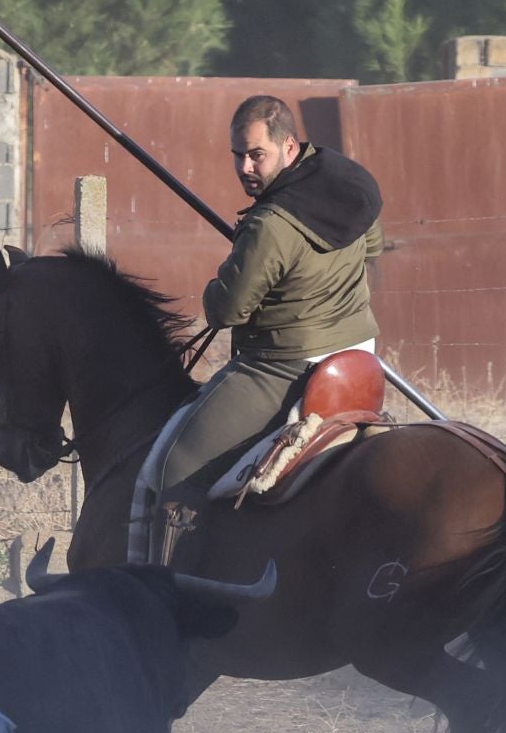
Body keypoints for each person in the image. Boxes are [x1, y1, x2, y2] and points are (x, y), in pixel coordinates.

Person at [144, 94, 385, 565]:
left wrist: (226, 273)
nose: (245, 167)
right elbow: (370, 246)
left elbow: (226, 311)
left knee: (174, 465)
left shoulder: (270, 226)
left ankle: (166, 595)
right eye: (239, 155)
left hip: (283, 366)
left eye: (257, 155)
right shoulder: (351, 182)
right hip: (359, 354)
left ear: (289, 147)